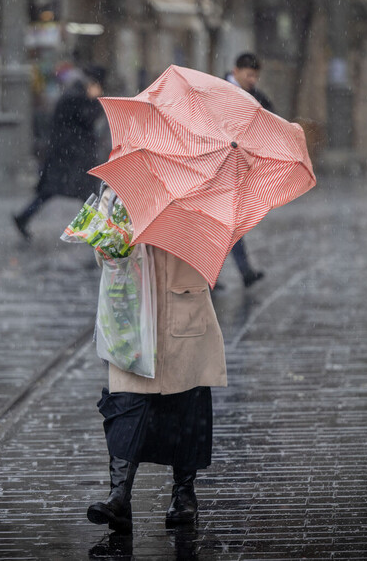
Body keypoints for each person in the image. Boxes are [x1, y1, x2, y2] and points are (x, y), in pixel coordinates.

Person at [86, 188, 227, 533]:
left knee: (187, 404)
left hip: (183, 308)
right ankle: (119, 496)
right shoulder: (120, 186)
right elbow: (101, 252)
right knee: (126, 405)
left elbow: (213, 246)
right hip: (131, 315)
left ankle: (184, 496)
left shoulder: (202, 186)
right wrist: (113, 239)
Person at [12, 65, 105, 241]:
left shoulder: (74, 95)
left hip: (68, 155)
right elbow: (87, 119)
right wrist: (95, 101)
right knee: (85, 193)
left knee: (58, 192)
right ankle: (95, 231)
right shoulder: (77, 97)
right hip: (71, 156)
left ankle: (24, 217)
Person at [224, 53, 269, 287]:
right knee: (224, 222)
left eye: (255, 76)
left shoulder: (254, 97)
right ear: (236, 71)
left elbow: (269, 113)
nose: (252, 80)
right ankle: (238, 272)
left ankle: (241, 272)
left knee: (230, 222)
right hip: (218, 167)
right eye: (249, 75)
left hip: (235, 167)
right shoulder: (219, 90)